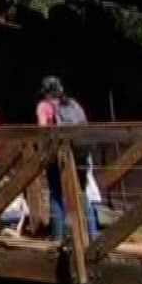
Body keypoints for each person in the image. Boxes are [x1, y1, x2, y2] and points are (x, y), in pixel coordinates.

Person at [36, 76, 99, 241]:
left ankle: (59, 237)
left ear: (44, 91)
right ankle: (92, 235)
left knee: (56, 193)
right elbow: (84, 125)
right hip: (80, 153)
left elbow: (43, 131)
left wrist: (43, 154)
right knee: (82, 192)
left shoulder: (44, 106)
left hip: (58, 154)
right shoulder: (73, 104)